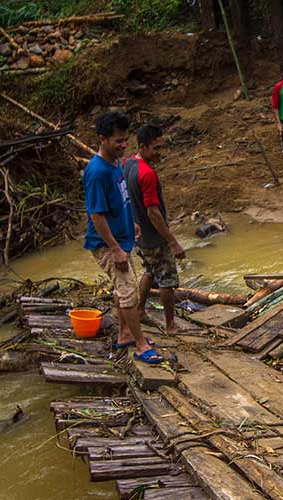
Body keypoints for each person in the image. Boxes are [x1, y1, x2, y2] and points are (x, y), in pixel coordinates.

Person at [82, 111, 161, 364]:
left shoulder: (116, 163)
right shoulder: (97, 172)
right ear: (102, 139)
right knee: (129, 293)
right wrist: (115, 248)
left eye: (125, 140)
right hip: (107, 243)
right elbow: (96, 215)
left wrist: (133, 223)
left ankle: (124, 333)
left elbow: (120, 200)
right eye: (118, 141)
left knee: (122, 288)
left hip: (122, 237)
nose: (123, 145)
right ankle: (140, 344)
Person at [124, 124, 186, 334]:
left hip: (139, 235)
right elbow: (153, 212)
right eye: (156, 149)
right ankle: (171, 325)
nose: (160, 153)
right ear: (143, 146)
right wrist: (172, 241)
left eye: (162, 147)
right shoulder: (147, 174)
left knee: (149, 271)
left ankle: (140, 310)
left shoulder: (128, 164)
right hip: (154, 237)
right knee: (167, 280)